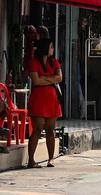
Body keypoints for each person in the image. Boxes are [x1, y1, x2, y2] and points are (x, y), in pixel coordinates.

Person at [26, 37, 62, 169]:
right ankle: (31, 160)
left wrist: (44, 78)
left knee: (50, 130)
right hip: (38, 99)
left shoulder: (54, 62)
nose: (52, 49)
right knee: (37, 129)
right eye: (51, 46)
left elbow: (60, 78)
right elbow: (36, 81)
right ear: (45, 48)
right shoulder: (34, 62)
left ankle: (51, 159)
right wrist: (51, 79)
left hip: (52, 99)